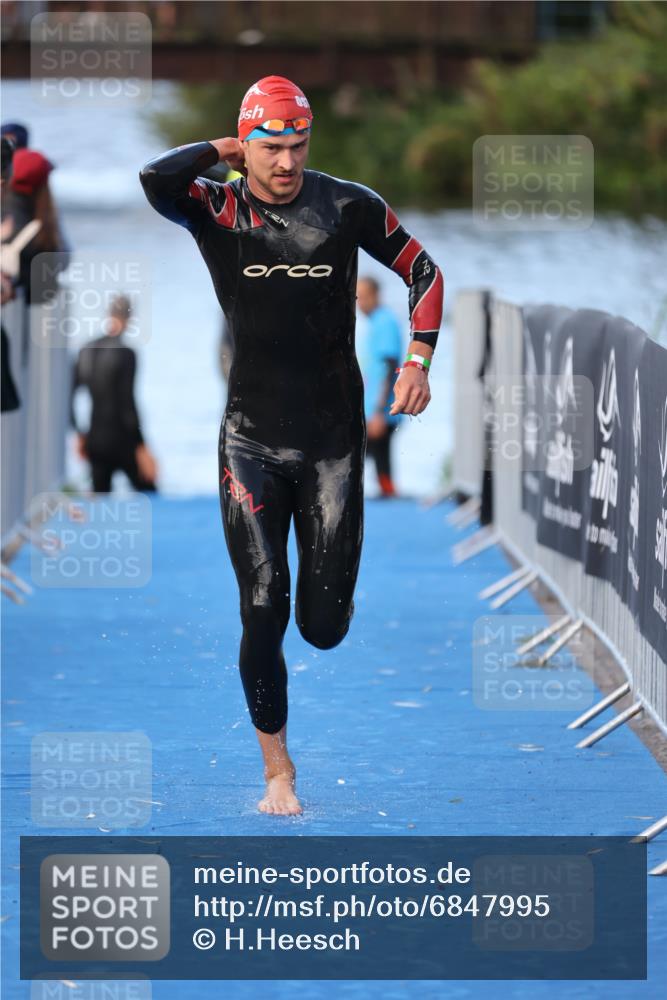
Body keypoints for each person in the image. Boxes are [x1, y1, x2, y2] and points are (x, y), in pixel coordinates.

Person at [139, 75, 443, 816]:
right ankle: (278, 770)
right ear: (245, 148)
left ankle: (327, 602)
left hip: (333, 443)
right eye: (271, 148)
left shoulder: (346, 206)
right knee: (262, 603)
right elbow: (155, 179)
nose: (286, 162)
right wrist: (219, 148)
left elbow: (423, 271)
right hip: (250, 440)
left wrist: (418, 360)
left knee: (323, 627)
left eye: (298, 145)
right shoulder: (215, 206)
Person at [71, 294, 158, 494]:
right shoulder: (127, 354)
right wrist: (142, 448)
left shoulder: (86, 350)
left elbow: (70, 398)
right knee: (149, 492)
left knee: (100, 498)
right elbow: (128, 405)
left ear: (109, 314)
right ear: (130, 318)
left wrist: (80, 434)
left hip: (95, 440)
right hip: (123, 441)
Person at [356, 276, 404, 497]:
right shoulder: (375, 321)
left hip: (381, 409)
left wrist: (378, 412)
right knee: (376, 458)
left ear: (376, 295)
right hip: (372, 408)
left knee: (366, 456)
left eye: (364, 297)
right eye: (357, 297)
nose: (360, 302)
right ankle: (387, 492)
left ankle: (389, 495)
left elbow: (390, 366)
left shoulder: (385, 321)